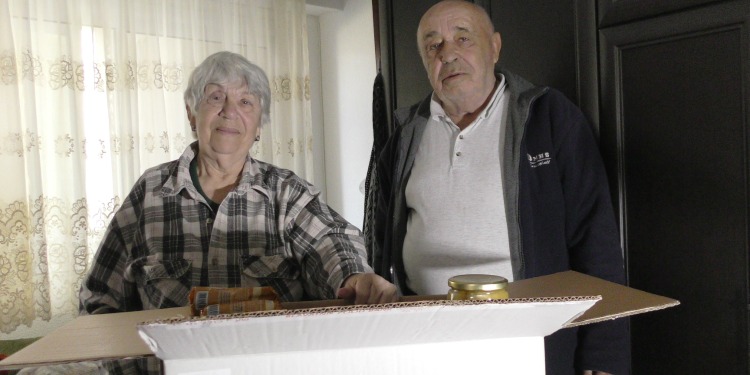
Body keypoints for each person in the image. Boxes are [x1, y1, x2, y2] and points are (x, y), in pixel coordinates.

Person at [77, 51, 398, 374]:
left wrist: (356, 276)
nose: (230, 111)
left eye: (246, 102)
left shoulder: (286, 192)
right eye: (215, 97)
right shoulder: (148, 194)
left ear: (259, 124)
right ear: (192, 114)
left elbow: (331, 241)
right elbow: (98, 301)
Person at [368, 1, 630, 374]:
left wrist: (604, 359)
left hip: (528, 345)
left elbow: (596, 241)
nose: (449, 54)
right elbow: (380, 246)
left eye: (463, 38)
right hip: (423, 345)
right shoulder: (405, 135)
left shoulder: (548, 117)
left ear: (494, 47)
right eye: (434, 45)